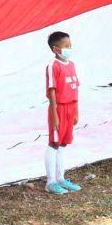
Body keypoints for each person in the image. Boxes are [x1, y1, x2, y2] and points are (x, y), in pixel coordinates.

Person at [43, 31, 82, 194]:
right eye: (66, 46)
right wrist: (55, 115)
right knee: (54, 143)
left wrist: (76, 111)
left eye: (70, 45)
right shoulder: (53, 65)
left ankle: (61, 178)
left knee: (63, 144)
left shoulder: (71, 65)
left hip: (70, 108)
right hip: (58, 108)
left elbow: (75, 89)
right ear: (55, 49)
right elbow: (52, 91)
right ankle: (50, 181)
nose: (69, 48)